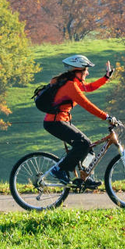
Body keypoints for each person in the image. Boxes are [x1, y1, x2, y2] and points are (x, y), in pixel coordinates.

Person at [42, 54, 120, 186]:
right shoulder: (70, 86)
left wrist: (106, 78)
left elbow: (89, 87)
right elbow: (87, 104)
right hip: (54, 123)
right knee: (83, 143)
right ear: (78, 70)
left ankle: (85, 177)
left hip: (61, 121)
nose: (88, 73)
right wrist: (106, 117)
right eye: (86, 70)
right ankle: (59, 170)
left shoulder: (74, 83)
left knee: (87, 147)